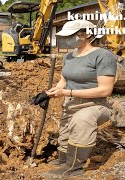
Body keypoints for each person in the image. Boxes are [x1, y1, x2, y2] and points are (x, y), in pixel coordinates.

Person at [41, 20, 117, 177]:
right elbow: (63, 81)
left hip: (95, 104)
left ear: (87, 34)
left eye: (71, 35)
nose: (67, 39)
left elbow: (105, 89)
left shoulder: (103, 56)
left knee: (82, 119)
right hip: (72, 102)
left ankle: (73, 169)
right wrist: (50, 92)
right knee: (65, 131)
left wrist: (67, 93)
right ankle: (64, 160)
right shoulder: (68, 57)